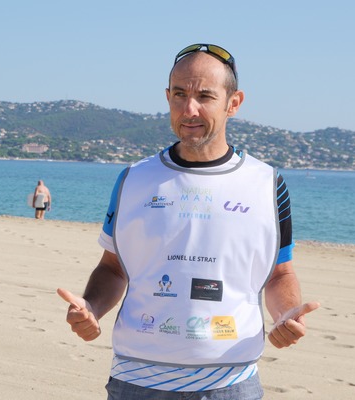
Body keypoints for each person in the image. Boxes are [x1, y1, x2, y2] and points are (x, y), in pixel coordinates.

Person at [58, 43, 320, 399]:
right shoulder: (134, 178)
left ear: (234, 103)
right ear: (168, 97)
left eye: (205, 96)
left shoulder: (267, 183)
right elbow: (113, 268)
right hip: (136, 379)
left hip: (230, 381)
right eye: (179, 94)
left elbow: (279, 273)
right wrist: (91, 308)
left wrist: (286, 315)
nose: (189, 108)